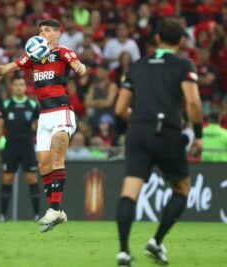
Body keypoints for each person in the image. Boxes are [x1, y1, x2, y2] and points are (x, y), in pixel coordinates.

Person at [0, 18, 86, 232]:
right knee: (43, 164)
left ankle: (54, 208)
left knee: (56, 156)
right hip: (44, 116)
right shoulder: (32, 57)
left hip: (62, 112)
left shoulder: (62, 52)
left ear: (57, 34)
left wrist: (80, 67)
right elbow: (6, 69)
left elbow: (77, 63)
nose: (43, 33)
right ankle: (57, 212)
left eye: (48, 30)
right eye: (41, 30)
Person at [114, 18, 203, 266]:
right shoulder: (184, 65)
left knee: (129, 193)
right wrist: (199, 134)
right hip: (166, 132)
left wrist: (141, 121)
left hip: (137, 131)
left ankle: (123, 251)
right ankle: (156, 241)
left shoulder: (138, 66)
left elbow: (120, 108)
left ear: (156, 38)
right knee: (182, 188)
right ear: (182, 41)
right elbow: (194, 103)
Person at [0, 77, 40, 222]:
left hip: (27, 147)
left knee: (32, 178)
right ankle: (2, 215)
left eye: (21, 84)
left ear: (25, 87)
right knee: (7, 179)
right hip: (10, 147)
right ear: (12, 87)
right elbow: (0, 128)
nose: (19, 87)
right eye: (16, 85)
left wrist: (42, 148)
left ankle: (37, 215)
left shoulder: (33, 105)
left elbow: (39, 129)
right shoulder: (6, 105)